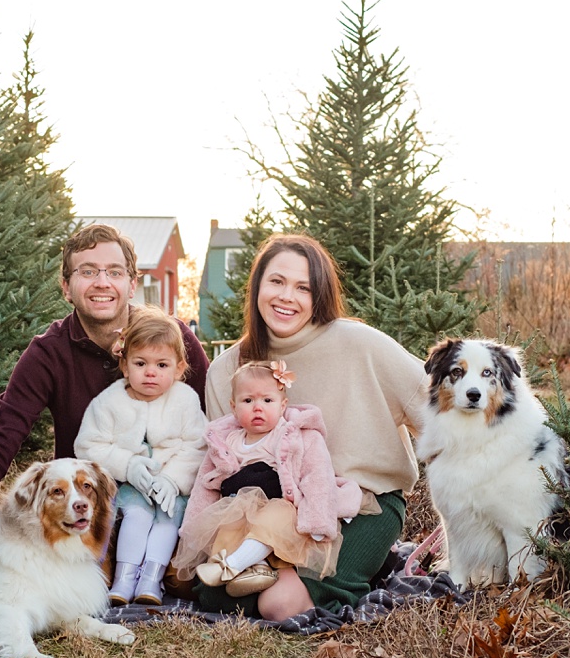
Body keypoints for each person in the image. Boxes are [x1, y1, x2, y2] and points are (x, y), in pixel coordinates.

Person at [0, 224, 209, 588]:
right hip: (87, 511)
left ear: (131, 283)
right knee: (79, 580)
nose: (102, 282)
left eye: (114, 272)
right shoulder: (48, 353)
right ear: (66, 287)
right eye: (87, 271)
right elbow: (2, 438)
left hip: (172, 504)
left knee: (188, 581)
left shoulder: (171, 338)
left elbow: (213, 426)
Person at [200, 234, 427, 621]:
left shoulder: (360, 344)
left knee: (278, 604)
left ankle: (361, 565)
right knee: (215, 598)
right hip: (267, 509)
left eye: (303, 287)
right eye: (276, 282)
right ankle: (288, 571)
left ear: (318, 295)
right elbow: (226, 465)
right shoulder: (228, 371)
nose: (287, 296)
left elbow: (439, 409)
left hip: (362, 503)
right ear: (257, 286)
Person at [173, 360, 367, 598]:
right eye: (248, 401)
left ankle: (233, 565)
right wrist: (193, 525)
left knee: (275, 516)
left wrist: (317, 519)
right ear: (233, 407)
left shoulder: (294, 436)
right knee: (226, 525)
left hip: (284, 509)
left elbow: (317, 476)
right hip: (238, 511)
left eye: (267, 400)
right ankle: (254, 570)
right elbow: (205, 485)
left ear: (283, 405)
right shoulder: (226, 441)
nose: (257, 408)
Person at [74, 307, 207, 606]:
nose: (150, 372)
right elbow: (89, 445)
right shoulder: (109, 401)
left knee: (168, 521)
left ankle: (151, 578)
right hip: (132, 486)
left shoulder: (185, 399)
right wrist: (128, 466)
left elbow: (197, 446)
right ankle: (124, 577)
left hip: (173, 487)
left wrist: (173, 481)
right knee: (136, 516)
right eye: (140, 363)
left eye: (162, 365)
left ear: (178, 368)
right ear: (124, 366)